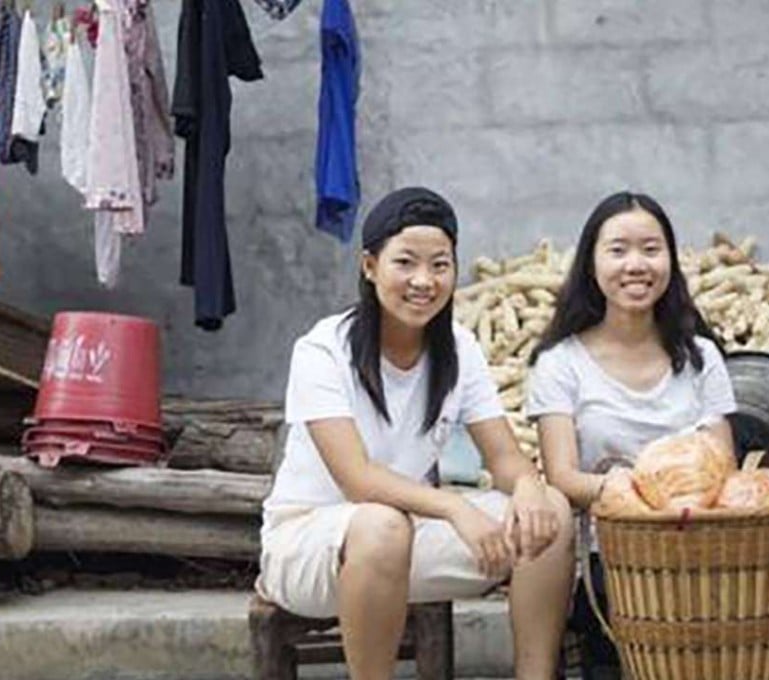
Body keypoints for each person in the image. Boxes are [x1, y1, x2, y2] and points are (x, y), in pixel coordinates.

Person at [257, 187, 575, 680]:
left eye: (440, 265)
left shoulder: (459, 349)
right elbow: (358, 479)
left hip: (408, 538)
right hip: (309, 549)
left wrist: (530, 487)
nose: (424, 281)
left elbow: (503, 458)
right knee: (382, 526)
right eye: (405, 263)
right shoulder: (322, 350)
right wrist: (455, 507)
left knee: (550, 512)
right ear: (370, 266)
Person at [525, 191, 738, 678]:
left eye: (651, 249)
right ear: (592, 263)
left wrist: (679, 503)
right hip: (613, 557)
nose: (636, 265)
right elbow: (562, 477)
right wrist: (640, 493)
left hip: (698, 548)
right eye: (618, 250)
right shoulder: (560, 363)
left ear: (670, 260)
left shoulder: (701, 356)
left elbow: (721, 464)